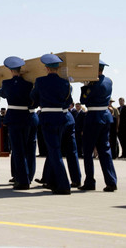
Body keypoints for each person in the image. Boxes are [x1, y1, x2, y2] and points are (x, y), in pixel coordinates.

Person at [30, 54, 73, 195]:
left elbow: (34, 99)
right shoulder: (66, 83)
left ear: (47, 68)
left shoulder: (40, 81)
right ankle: (52, 181)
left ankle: (63, 184)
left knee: (54, 152)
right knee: (55, 150)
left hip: (48, 118)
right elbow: (68, 102)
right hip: (61, 118)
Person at [79, 60, 117, 192]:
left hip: (93, 118)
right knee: (105, 150)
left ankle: (90, 182)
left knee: (88, 151)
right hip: (105, 116)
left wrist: (85, 86)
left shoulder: (93, 84)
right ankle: (111, 181)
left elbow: (83, 100)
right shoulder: (109, 81)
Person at [0, 56, 34, 190]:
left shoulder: (6, 83)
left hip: (14, 118)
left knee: (18, 150)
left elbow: (2, 94)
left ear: (10, 70)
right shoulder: (28, 84)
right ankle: (26, 176)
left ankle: (23, 180)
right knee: (25, 149)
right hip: (26, 117)